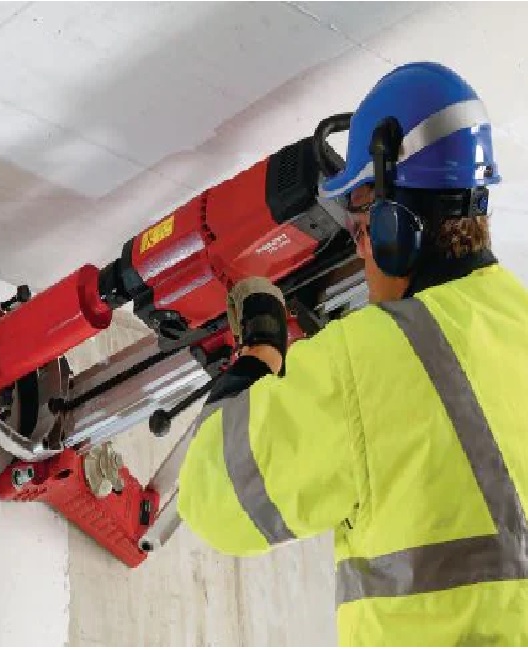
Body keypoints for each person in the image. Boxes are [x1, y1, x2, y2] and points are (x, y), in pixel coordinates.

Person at [176, 61, 528, 645]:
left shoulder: (367, 357)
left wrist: (260, 352)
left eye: (363, 230)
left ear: (395, 226)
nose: (363, 254)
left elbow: (215, 498)